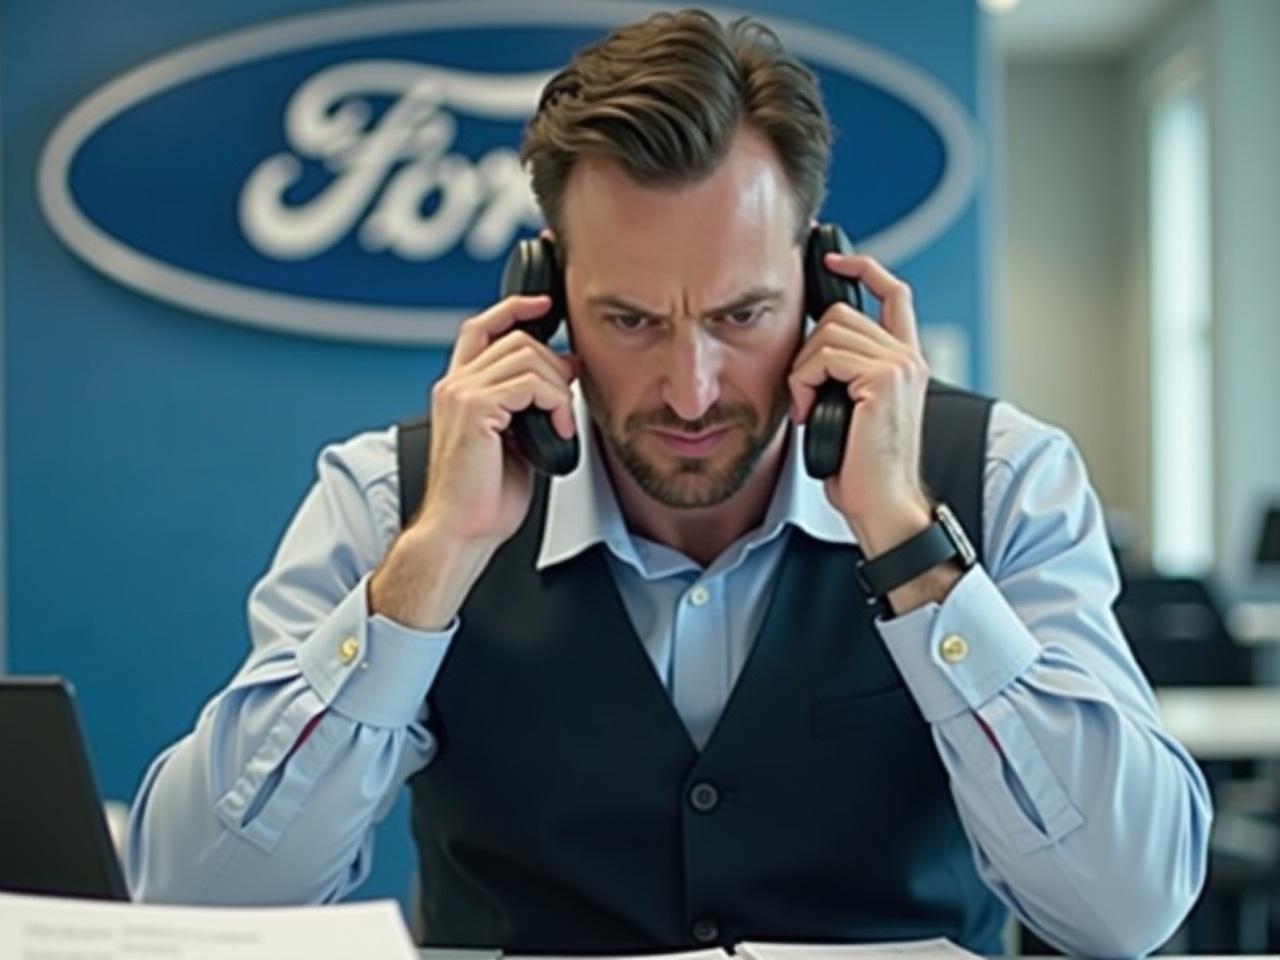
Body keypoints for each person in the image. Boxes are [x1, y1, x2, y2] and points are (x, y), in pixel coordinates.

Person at [127, 9, 1211, 957]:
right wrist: (428, 571)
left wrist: (910, 548)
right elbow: (196, 911)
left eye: (740, 316)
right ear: (545, 298)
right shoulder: (388, 499)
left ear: (823, 284)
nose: (688, 390)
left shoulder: (999, 480)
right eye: (630, 320)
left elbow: (1125, 911)